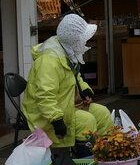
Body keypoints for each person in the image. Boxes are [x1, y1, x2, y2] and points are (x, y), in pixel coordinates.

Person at [22, 14, 113, 155]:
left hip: (66, 104)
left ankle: (108, 156)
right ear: (74, 40)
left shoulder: (65, 51)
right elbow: (45, 96)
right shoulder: (49, 61)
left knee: (102, 113)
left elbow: (75, 76)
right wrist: (57, 121)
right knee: (86, 121)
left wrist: (85, 91)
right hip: (48, 114)